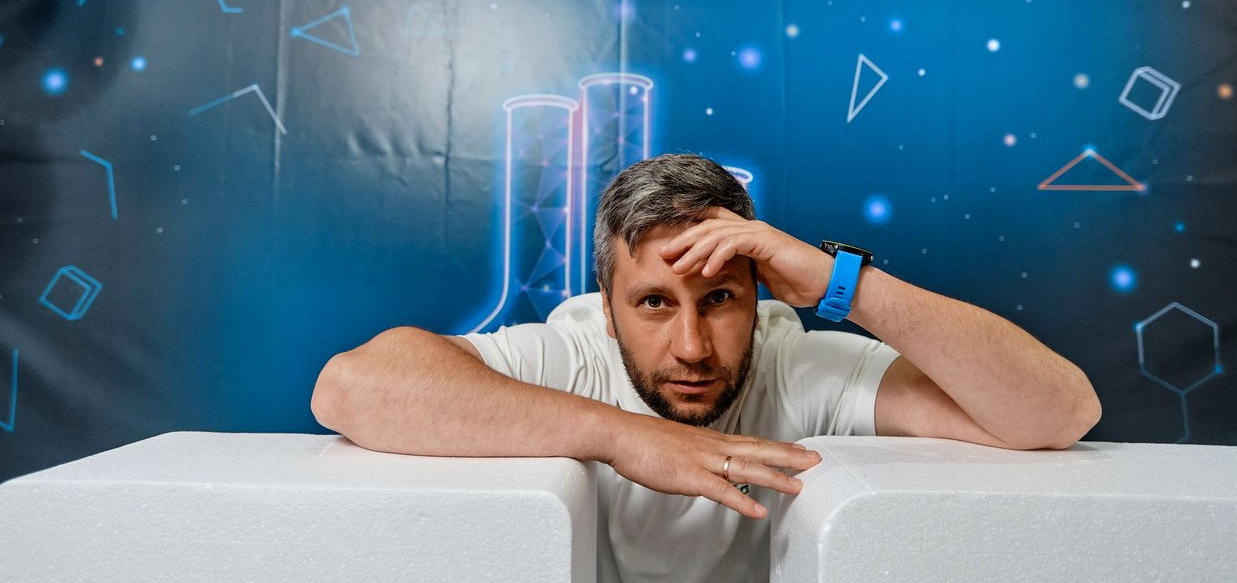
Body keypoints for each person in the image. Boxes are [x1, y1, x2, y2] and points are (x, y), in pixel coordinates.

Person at [311, 153, 1101, 583]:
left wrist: (841, 283)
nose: (692, 346)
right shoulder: (572, 352)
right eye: (654, 303)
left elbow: (1057, 412)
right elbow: (350, 386)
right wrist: (624, 436)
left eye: (719, 298)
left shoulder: (796, 364)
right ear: (606, 306)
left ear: (759, 295)